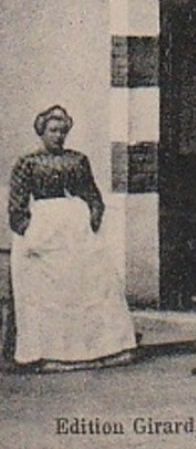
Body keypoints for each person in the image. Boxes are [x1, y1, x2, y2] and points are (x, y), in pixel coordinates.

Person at [6, 105, 137, 371]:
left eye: (62, 131)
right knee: (50, 296)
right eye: (53, 131)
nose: (58, 136)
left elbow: (93, 196)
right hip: (44, 235)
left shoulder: (78, 160)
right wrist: (30, 233)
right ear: (41, 132)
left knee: (94, 287)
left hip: (77, 236)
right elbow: (17, 207)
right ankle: (50, 353)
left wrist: (91, 221)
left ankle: (102, 349)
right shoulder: (27, 162)